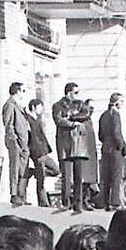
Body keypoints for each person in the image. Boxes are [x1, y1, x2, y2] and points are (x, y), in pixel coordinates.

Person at [98, 92, 126, 211]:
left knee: (106, 177)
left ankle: (105, 202)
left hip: (105, 148)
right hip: (115, 150)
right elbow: (117, 133)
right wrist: (122, 146)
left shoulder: (103, 115)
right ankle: (115, 202)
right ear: (116, 102)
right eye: (121, 101)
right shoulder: (115, 115)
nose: (122, 104)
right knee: (116, 176)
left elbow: (100, 135)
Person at [52, 82, 79, 210]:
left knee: (77, 174)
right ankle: (66, 201)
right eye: (75, 93)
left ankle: (77, 201)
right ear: (69, 93)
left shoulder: (77, 105)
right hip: (64, 144)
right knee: (66, 175)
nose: (77, 96)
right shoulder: (57, 105)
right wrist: (72, 123)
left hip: (76, 144)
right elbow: (58, 120)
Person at [2, 82, 30, 206]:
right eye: (23, 91)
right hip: (16, 142)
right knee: (15, 168)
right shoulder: (10, 105)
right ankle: (14, 194)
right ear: (17, 91)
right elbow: (8, 125)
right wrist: (15, 141)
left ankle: (21, 194)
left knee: (22, 170)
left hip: (23, 143)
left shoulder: (19, 106)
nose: (24, 94)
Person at [26, 97, 53, 207]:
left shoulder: (37, 119)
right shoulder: (28, 120)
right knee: (41, 181)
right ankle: (43, 203)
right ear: (33, 107)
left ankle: (34, 172)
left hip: (44, 152)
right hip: (37, 152)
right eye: (39, 107)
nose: (41, 109)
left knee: (56, 170)